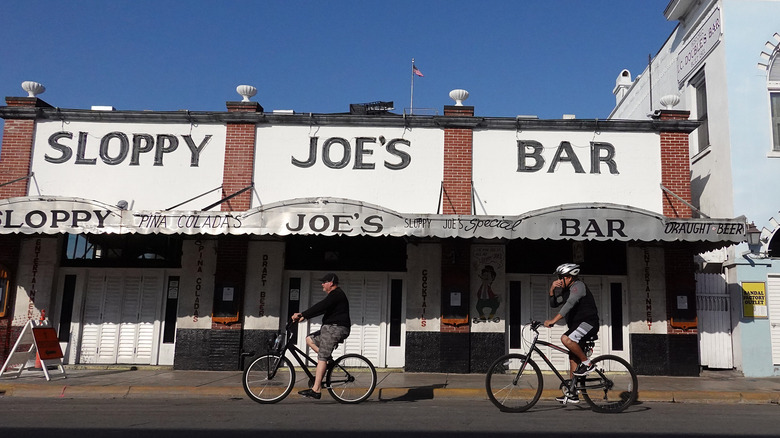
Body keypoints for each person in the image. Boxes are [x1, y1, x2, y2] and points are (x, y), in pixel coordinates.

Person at [543, 263, 600, 404]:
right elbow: (555, 303)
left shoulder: (578, 287)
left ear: (569, 277)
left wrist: (553, 321)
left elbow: (569, 305)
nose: (559, 280)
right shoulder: (568, 290)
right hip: (577, 326)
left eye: (561, 277)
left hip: (588, 324)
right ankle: (573, 393)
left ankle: (588, 364)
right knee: (573, 359)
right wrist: (551, 290)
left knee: (566, 339)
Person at [291, 272, 351, 400]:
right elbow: (322, 309)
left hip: (336, 328)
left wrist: (302, 314)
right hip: (330, 328)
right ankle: (327, 359)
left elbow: (321, 306)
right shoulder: (333, 296)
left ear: (331, 283)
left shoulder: (336, 294)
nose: (322, 284)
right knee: (309, 339)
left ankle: (316, 389)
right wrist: (305, 317)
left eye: (324, 282)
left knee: (321, 357)